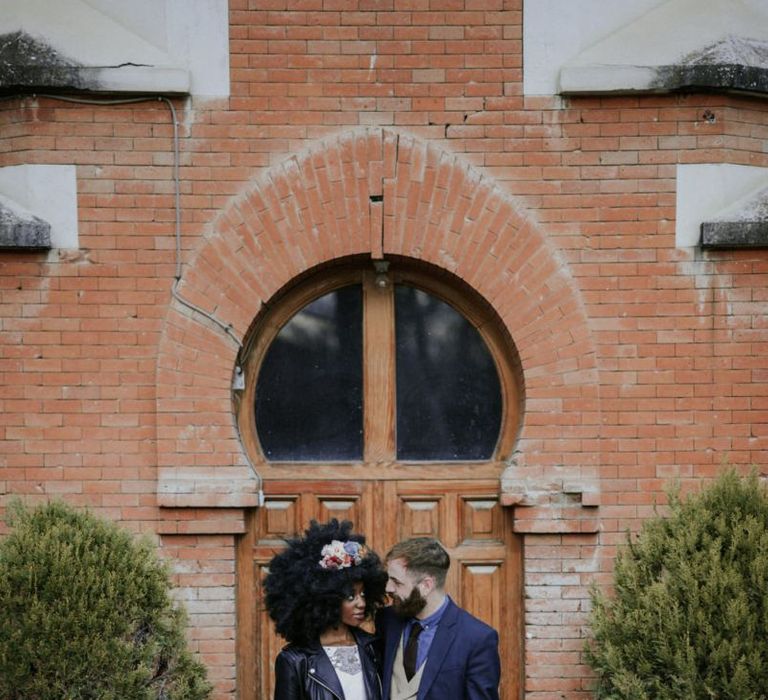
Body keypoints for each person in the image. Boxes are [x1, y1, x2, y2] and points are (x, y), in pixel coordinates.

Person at [264, 519, 388, 700]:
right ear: (326, 599)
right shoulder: (296, 660)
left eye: (363, 594)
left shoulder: (373, 648)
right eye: (351, 596)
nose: (361, 603)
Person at [376, 537, 501, 700]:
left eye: (397, 582)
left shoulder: (477, 638)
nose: (388, 588)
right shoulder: (387, 620)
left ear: (426, 586)